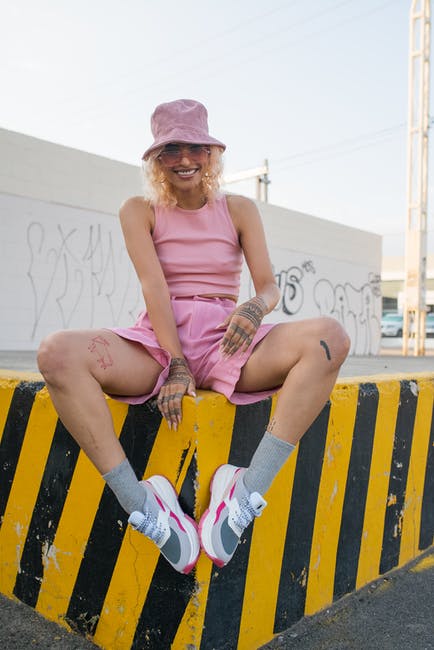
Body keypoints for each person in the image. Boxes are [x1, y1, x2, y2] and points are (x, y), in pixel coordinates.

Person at [37, 99, 350, 575]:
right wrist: (176, 363)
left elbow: (268, 287)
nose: (184, 158)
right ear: (156, 159)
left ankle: (243, 496)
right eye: (171, 149)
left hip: (230, 342)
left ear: (211, 154)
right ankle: (143, 506)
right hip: (157, 345)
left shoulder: (239, 209)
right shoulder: (138, 210)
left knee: (330, 338)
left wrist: (255, 307)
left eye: (195, 148)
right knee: (56, 353)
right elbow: (154, 287)